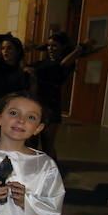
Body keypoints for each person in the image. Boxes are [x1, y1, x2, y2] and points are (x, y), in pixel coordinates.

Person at [28, 31, 87, 161]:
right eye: (48, 46)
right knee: (32, 141)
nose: (50, 49)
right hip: (36, 105)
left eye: (54, 45)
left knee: (47, 143)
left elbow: (64, 63)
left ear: (62, 47)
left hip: (51, 106)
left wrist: (81, 47)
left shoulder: (64, 63)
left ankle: (52, 172)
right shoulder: (43, 62)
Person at [0, 34, 29, 104]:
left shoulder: (22, 70)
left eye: (9, 48)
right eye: (3, 48)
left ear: (17, 50)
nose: (5, 51)